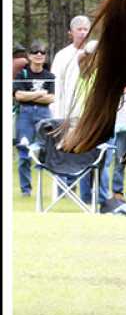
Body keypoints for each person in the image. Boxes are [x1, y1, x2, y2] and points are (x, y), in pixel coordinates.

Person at [50, 15, 111, 203]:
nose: (83, 33)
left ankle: (90, 195)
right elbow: (55, 86)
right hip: (67, 113)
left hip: (89, 115)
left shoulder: (95, 54)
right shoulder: (62, 56)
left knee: (90, 154)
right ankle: (62, 191)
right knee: (65, 151)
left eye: (86, 29)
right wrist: (57, 113)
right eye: (80, 29)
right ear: (71, 33)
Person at [13, 40, 56, 197]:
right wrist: (40, 94)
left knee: (45, 148)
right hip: (25, 114)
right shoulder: (22, 74)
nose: (39, 55)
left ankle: (48, 187)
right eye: (35, 52)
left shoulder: (50, 76)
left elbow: (51, 98)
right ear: (29, 55)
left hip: (44, 114)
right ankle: (26, 190)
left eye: (42, 52)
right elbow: (18, 96)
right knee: (24, 151)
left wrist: (30, 96)